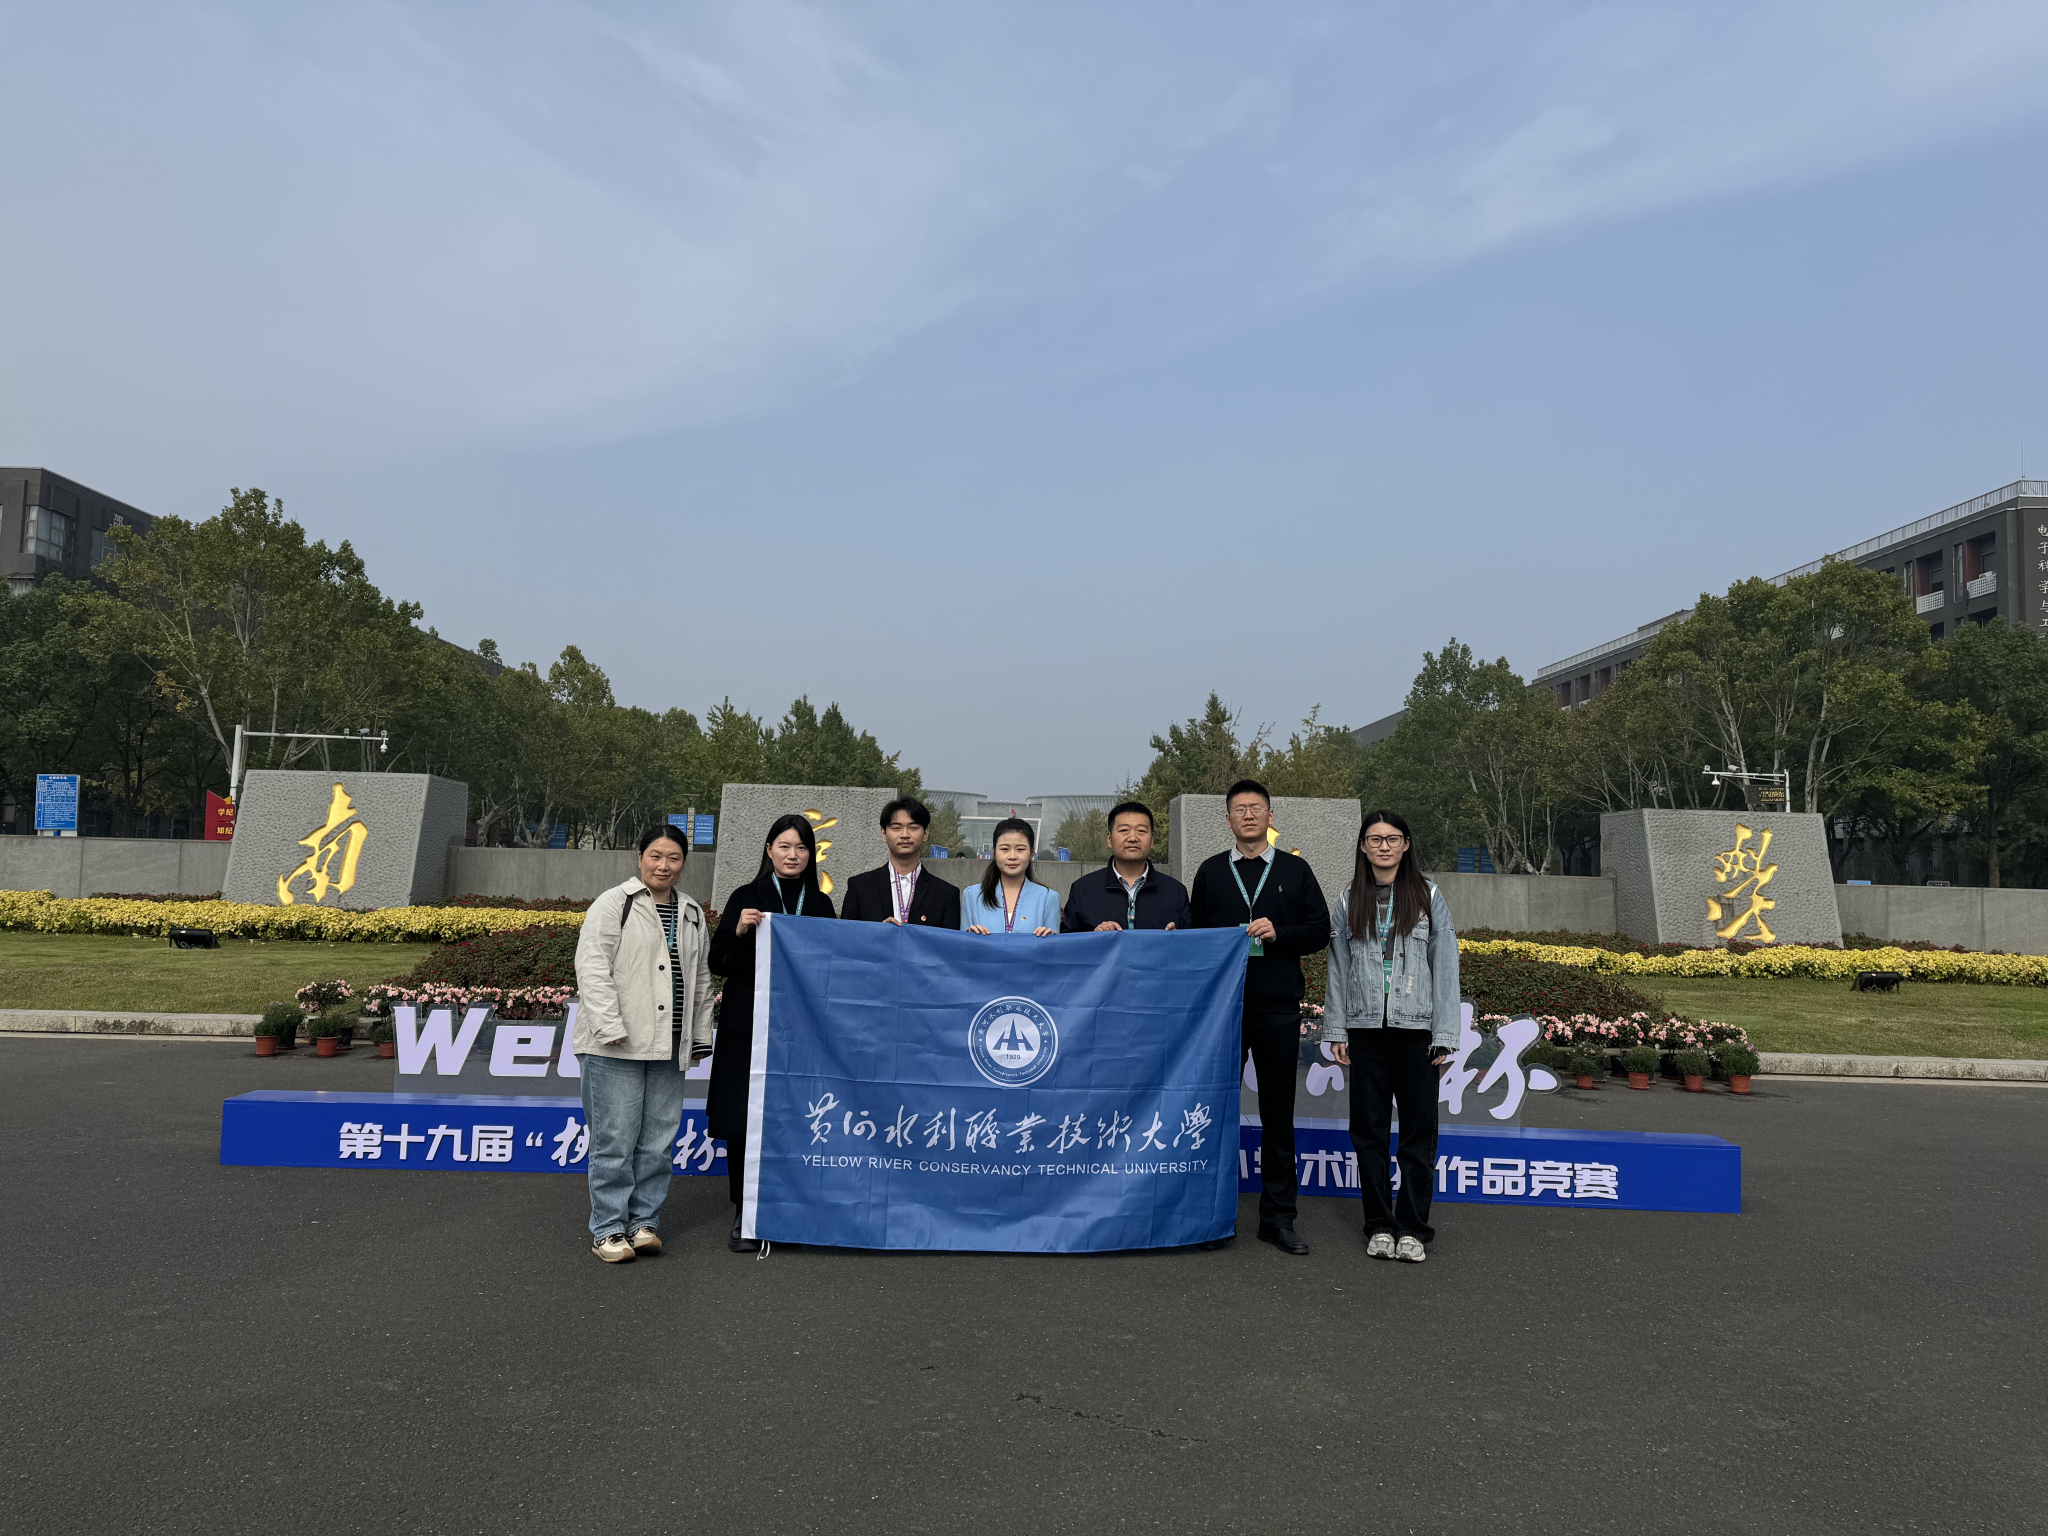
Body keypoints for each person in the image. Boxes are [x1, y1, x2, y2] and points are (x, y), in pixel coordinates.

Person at [1189, 778, 1330, 1257]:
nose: (1248, 815)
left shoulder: (1295, 869)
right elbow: (1194, 936)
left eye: (1256, 808)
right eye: (1239, 809)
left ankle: (1278, 1218)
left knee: (1277, 1116)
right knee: (1215, 1112)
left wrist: (1279, 932)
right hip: (1221, 1011)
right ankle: (1212, 1216)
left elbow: (1319, 931)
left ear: (1271, 816)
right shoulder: (1211, 872)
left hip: (1277, 1009)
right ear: (1227, 819)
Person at [571, 824, 716, 1264]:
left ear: (684, 863)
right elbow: (591, 966)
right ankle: (608, 1229)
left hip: (669, 1046)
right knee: (615, 1140)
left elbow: (701, 979)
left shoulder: (691, 912)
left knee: (657, 1142)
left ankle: (643, 1223)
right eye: (655, 856)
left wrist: (699, 1035)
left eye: (673, 858)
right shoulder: (614, 904)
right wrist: (608, 1025)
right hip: (616, 1044)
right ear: (639, 858)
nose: (663, 865)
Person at [1324, 810, 1458, 1263]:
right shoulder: (1349, 899)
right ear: (1363, 846)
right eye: (1375, 839)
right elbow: (1338, 967)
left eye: (1392, 838)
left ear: (1406, 844)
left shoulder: (1428, 896)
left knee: (1418, 1134)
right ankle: (1380, 1225)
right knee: (1369, 1133)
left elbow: (1445, 963)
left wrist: (1444, 1033)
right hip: (1365, 1031)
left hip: (1415, 1031)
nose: (1384, 846)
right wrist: (1337, 1028)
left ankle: (1413, 1228)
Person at [707, 812, 838, 1252]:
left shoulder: (819, 904)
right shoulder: (746, 897)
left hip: (800, 1028)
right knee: (745, 1118)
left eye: (801, 847)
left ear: (811, 854)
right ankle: (745, 1212)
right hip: (748, 1024)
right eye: (784, 846)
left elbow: (833, 965)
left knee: (796, 1116)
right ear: (768, 850)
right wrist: (739, 930)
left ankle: (790, 1209)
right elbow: (718, 962)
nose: (792, 855)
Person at [1060, 800, 1191, 932]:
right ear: (1109, 839)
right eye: (1124, 830)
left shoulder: (1176, 892)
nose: (1133, 838)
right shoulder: (1083, 889)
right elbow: (1067, 941)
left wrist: (1176, 939)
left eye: (1141, 831)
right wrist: (1095, 937)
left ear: (1152, 840)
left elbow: (1192, 941)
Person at [839, 796, 963, 929]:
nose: (905, 835)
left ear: (926, 834)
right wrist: (878, 933)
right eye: (896, 828)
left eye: (913, 827)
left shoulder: (946, 894)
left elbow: (948, 941)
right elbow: (846, 936)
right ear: (884, 833)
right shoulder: (860, 887)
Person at [959, 816, 1060, 935]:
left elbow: (1054, 945)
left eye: (1020, 849)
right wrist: (971, 937)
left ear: (1031, 854)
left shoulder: (1048, 898)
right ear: (994, 853)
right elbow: (963, 943)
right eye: (1005, 849)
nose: (1012, 856)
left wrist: (1048, 939)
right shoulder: (972, 895)